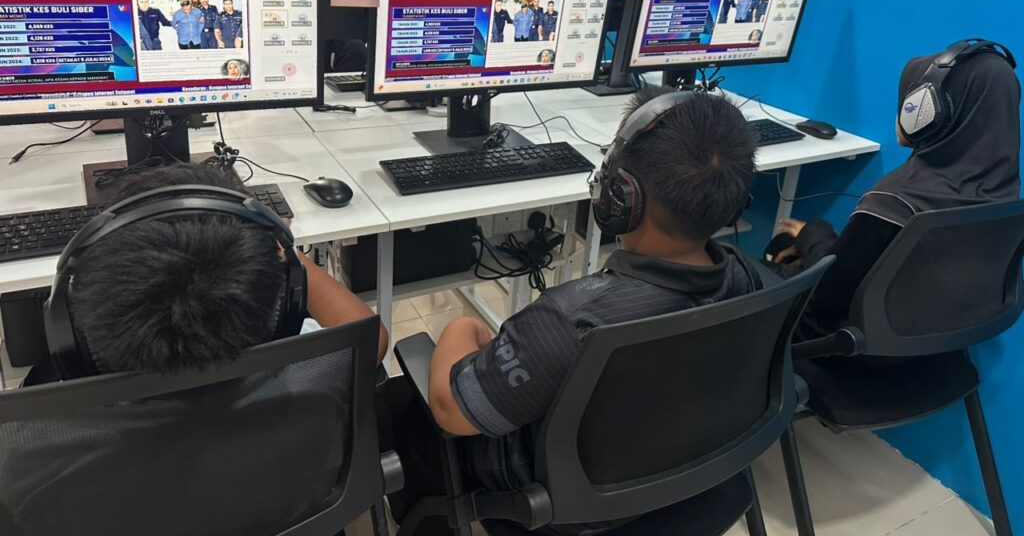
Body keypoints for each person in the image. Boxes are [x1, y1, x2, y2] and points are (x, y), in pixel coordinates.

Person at [384, 87, 763, 535]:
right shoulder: (747, 278)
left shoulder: (570, 322)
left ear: (620, 196)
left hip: (559, 509)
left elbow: (450, 412)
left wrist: (461, 328)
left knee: (398, 404)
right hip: (679, 479)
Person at [5, 163, 388, 532]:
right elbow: (370, 337)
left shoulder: (30, 459)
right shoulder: (316, 376)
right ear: (286, 304)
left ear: (67, 325)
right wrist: (291, 256)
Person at [765, 45, 1020, 340]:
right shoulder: (1004, 194)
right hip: (934, 349)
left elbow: (825, 299)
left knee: (765, 259)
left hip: (851, 348)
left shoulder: (894, 203)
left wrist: (813, 235)